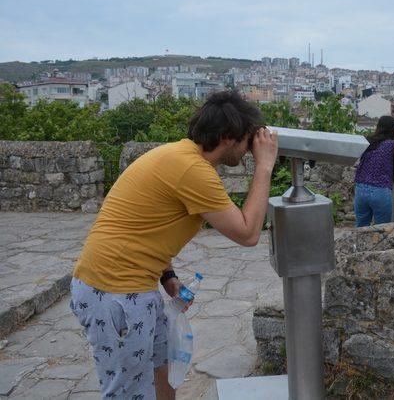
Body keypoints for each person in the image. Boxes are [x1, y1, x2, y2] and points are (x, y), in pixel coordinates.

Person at [69, 91, 278, 399]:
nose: (250, 150)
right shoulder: (193, 171)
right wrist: (265, 167)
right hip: (116, 292)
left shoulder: (178, 156)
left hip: (129, 287)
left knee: (162, 380)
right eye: (248, 140)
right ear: (227, 137)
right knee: (130, 393)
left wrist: (168, 277)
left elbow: (145, 223)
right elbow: (248, 234)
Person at [354, 116, 394, 227]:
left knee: (360, 228)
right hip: (380, 190)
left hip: (361, 188)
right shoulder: (393, 144)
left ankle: (359, 245)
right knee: (382, 229)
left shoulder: (367, 141)